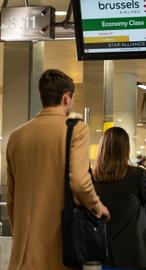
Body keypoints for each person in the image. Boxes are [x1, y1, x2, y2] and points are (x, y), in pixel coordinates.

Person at [6, 69, 110, 270]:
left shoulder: (17, 136)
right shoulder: (76, 129)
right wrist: (98, 207)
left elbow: (12, 198)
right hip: (59, 251)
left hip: (22, 256)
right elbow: (80, 182)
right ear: (66, 97)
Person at [93, 127, 146, 270]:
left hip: (101, 249)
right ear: (125, 149)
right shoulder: (136, 174)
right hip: (133, 251)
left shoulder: (92, 176)